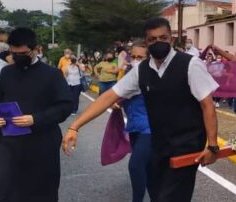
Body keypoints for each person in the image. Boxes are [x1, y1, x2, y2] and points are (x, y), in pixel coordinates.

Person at [63, 18, 220, 202]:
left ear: (171, 39)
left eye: (163, 37)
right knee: (155, 193)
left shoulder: (190, 65)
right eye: (153, 39)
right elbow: (109, 97)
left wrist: (212, 146)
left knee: (171, 197)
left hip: (186, 144)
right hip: (158, 143)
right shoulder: (141, 71)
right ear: (146, 43)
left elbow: (207, 105)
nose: (158, 42)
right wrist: (75, 126)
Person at [0, 28, 74, 201]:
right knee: (4, 189)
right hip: (10, 143)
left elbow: (65, 106)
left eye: (24, 53)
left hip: (42, 143)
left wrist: (35, 119)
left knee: (41, 190)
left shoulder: (52, 75)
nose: (18, 57)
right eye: (14, 53)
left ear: (36, 49)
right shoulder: (7, 73)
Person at [121, 44, 152, 202]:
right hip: (134, 129)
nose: (135, 60)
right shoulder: (128, 76)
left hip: (150, 130)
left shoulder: (151, 77)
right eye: (133, 57)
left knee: (135, 165)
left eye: (140, 57)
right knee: (148, 167)